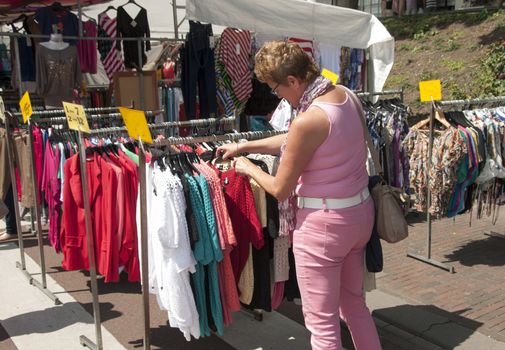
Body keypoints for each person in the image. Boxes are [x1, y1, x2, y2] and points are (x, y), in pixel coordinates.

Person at [217, 41, 381, 350]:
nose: (277, 95)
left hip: (324, 227)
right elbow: (296, 138)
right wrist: (245, 146)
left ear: (292, 81)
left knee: (322, 326)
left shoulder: (309, 118)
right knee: (355, 306)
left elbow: (280, 189)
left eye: (276, 88)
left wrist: (247, 169)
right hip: (359, 214)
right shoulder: (345, 95)